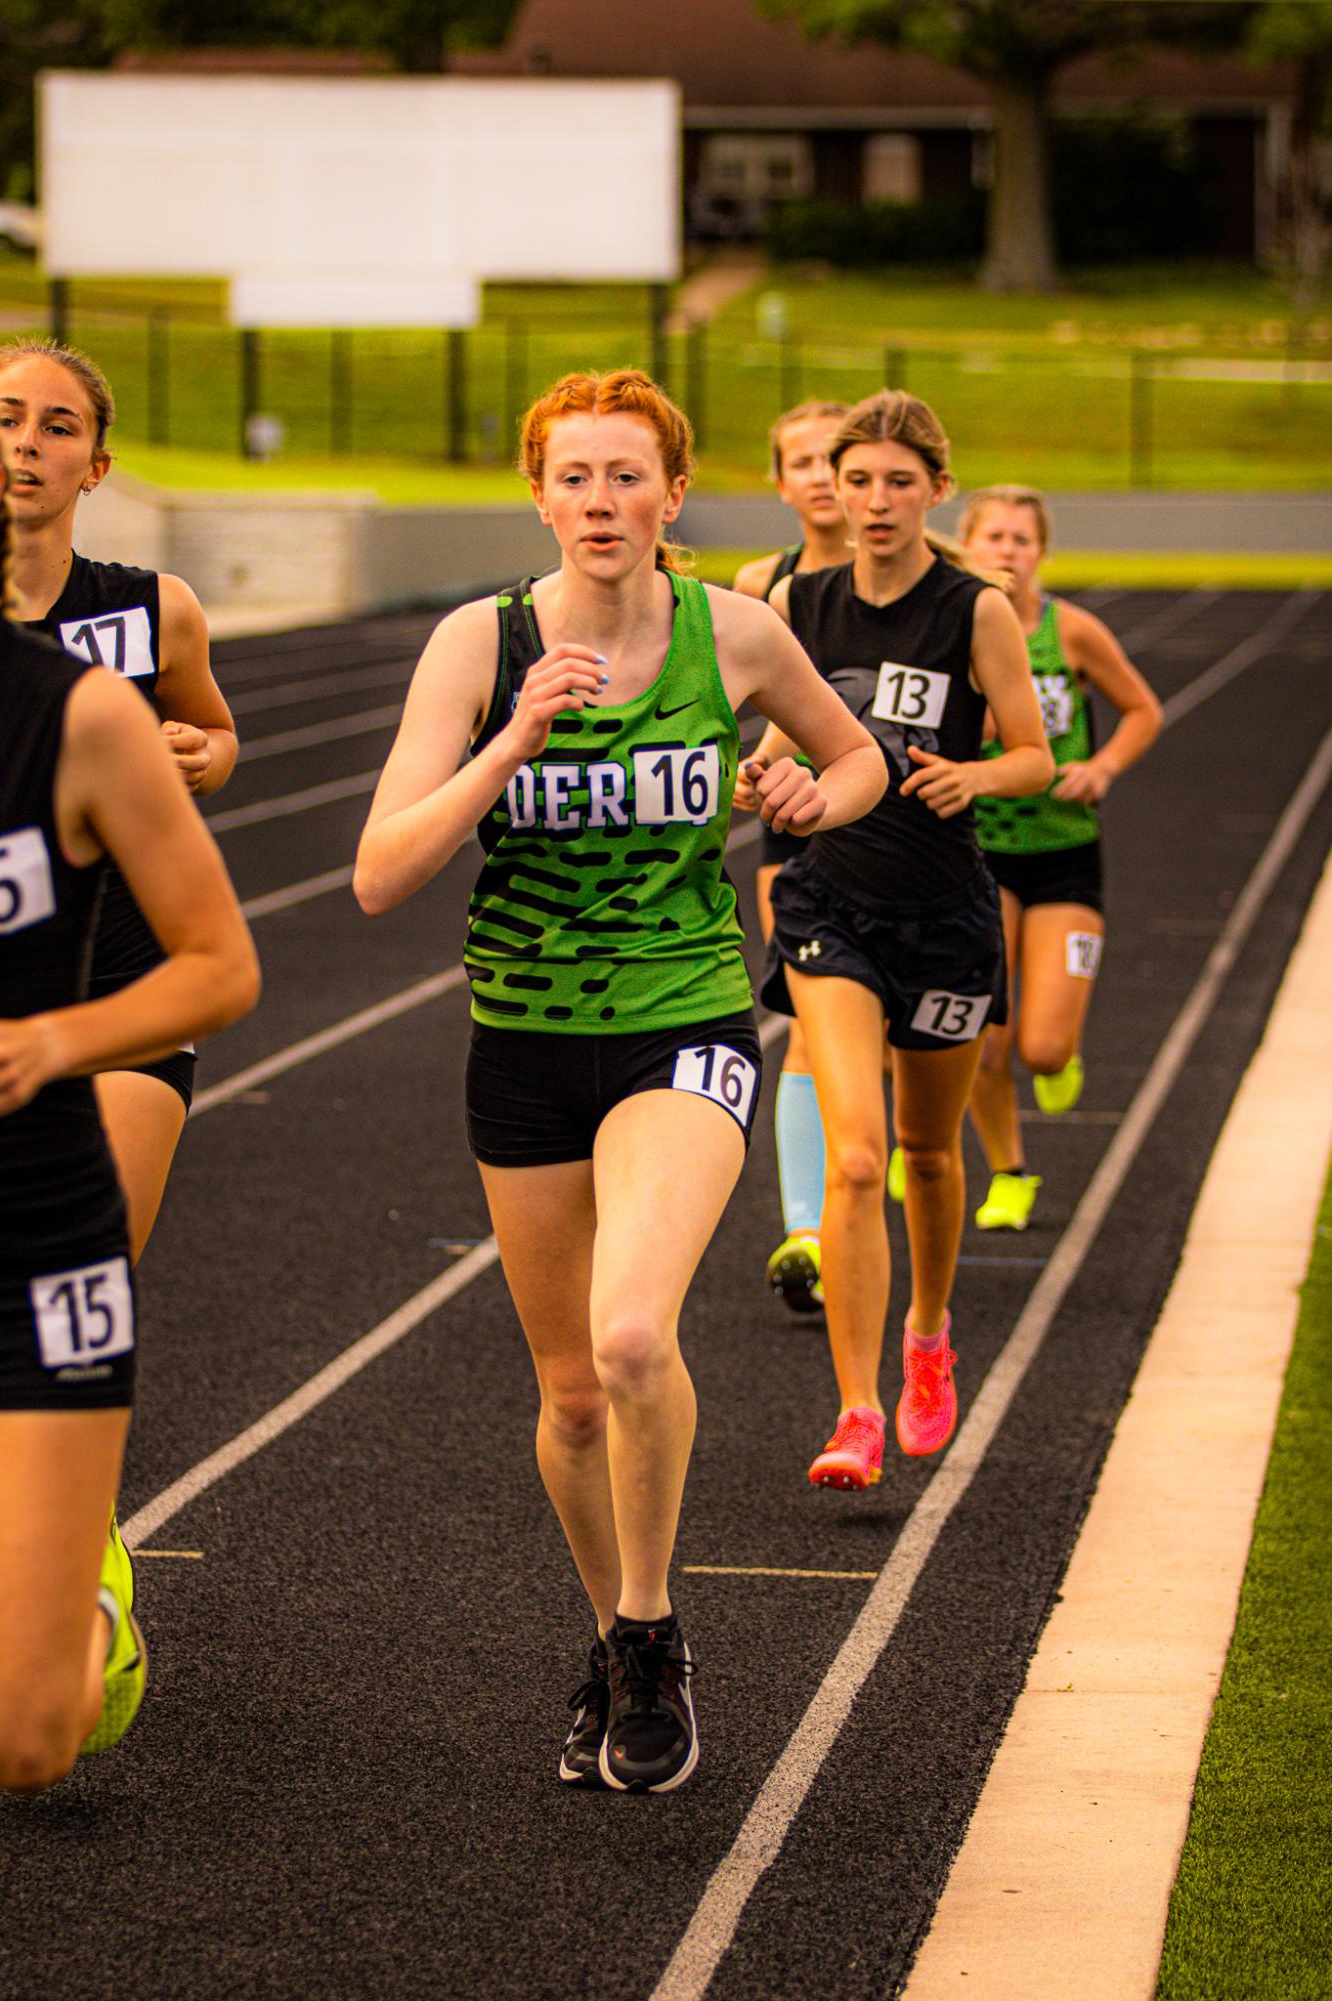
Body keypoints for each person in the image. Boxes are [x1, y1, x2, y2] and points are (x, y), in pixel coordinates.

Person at [355, 368, 883, 1793]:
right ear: (537, 494)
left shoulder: (735, 631)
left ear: (672, 491)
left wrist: (802, 797)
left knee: (635, 1335)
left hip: (682, 1016)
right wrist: (509, 741)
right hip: (522, 1039)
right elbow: (379, 870)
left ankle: (653, 1632)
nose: (601, 502)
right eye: (573, 477)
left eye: (626, 476)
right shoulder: (479, 643)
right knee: (572, 1393)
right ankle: (608, 1632)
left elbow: (857, 764)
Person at [0, 456, 259, 1795]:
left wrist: (48, 1041)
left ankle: (82, 1602)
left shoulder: (78, 713)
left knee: (30, 1736)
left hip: (41, 1218)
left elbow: (220, 967)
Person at [748, 390, 1053, 1489]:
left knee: (927, 1154)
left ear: (936, 489)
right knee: (856, 1155)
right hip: (831, 903)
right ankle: (857, 1410)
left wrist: (973, 774)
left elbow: (1032, 755)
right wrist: (764, 775)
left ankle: (927, 1336)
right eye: (854, 479)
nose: (870, 501)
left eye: (895, 482)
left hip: (943, 915)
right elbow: (784, 735)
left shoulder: (973, 611)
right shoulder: (798, 601)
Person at [0, 337, 240, 1263]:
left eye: (58, 427)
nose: (28, 444)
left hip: (123, 989)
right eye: (9, 420)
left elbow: (217, 735)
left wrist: (199, 755)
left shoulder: (153, 613)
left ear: (95, 467)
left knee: (81, 1280)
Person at [959, 485, 1162, 1229]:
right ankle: (1009, 1173)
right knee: (986, 1038)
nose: (1008, 551)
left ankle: (1059, 1053)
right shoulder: (957, 628)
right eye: (995, 538)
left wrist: (1102, 766)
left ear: (1041, 551)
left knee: (1041, 1047)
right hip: (984, 853)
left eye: (1022, 539)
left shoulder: (1071, 632)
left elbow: (1144, 709)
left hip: (1066, 852)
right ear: (968, 545)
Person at [733, 401, 853, 1317]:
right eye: (801, 462)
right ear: (780, 481)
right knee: (810, 1012)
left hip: (902, 827)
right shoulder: (762, 582)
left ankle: (868, 1174)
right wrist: (757, 766)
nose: (819, 476)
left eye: (835, 459)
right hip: (794, 819)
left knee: (877, 1033)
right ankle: (809, 1228)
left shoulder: (930, 582)